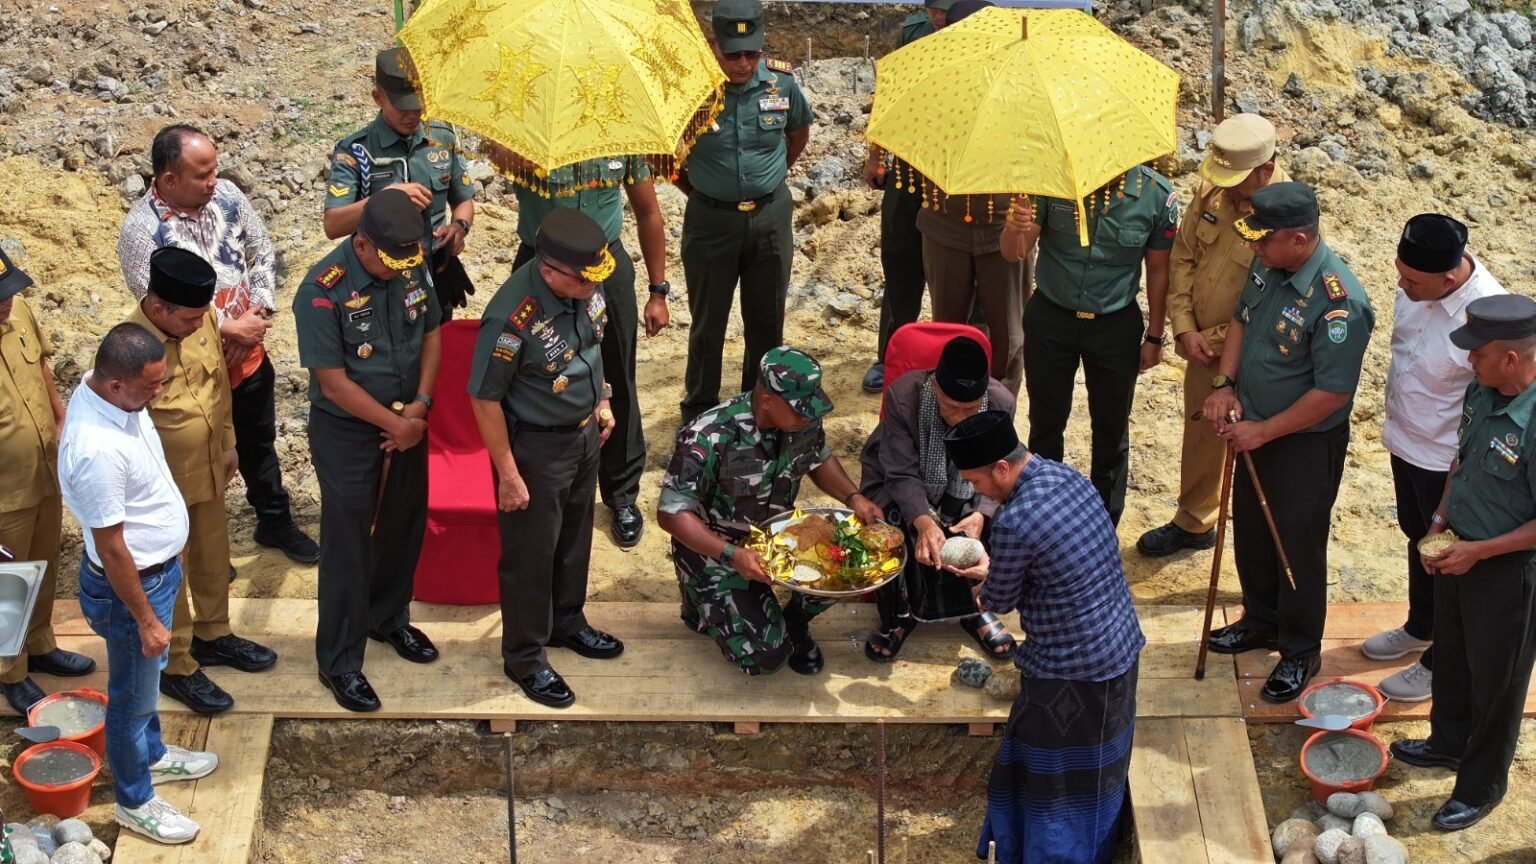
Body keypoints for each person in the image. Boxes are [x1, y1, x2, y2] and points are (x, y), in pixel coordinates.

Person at [943, 410, 1144, 864]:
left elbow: (998, 598)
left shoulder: (1015, 522)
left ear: (1001, 468)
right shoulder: (1067, 477)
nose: (977, 493)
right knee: (1101, 773)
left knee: (1054, 783)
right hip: (1120, 647)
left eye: (976, 482)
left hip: (1069, 671)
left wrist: (981, 578)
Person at [1202, 182, 1374, 704]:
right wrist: (1224, 384)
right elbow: (1241, 319)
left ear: (1299, 239)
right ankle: (1261, 619)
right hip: (1253, 426)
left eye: (1264, 239)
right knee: (1253, 529)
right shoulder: (1268, 265)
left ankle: (1300, 648)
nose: (1254, 247)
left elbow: (1333, 393)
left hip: (1303, 444)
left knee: (1295, 544)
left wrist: (1264, 430)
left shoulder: (1340, 302)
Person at [117, 124, 319, 565]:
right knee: (194, 454)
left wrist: (257, 316)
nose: (213, 181)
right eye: (202, 174)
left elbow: (261, 253)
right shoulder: (141, 232)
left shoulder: (228, 196)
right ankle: (199, 545)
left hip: (248, 355)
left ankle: (274, 520)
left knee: (258, 442)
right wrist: (227, 330)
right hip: (188, 368)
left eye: (214, 170)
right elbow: (156, 305)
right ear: (169, 179)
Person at [58, 323, 220, 845]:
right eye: (152, 386)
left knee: (143, 688)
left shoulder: (114, 396)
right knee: (131, 700)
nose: (160, 393)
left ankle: (152, 756)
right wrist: (147, 620)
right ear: (115, 384)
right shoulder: (96, 449)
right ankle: (135, 801)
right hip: (132, 592)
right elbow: (111, 549)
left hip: (154, 576)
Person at [1389, 294, 1536, 832]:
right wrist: (1439, 520)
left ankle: (1480, 788)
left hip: (1506, 569)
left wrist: (1479, 551)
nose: (1468, 359)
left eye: (1478, 352)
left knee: (1498, 683)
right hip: (1458, 550)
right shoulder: (1482, 389)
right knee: (1451, 657)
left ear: (1511, 359)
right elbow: (1462, 460)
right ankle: (1448, 743)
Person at [467, 209, 623, 710]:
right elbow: (484, 400)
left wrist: (601, 399)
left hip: (583, 434)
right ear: (550, 271)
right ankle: (525, 656)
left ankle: (566, 622)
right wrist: (508, 474)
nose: (593, 287)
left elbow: (591, 348)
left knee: (574, 539)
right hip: (535, 448)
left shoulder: (585, 282)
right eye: (584, 279)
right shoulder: (511, 319)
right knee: (531, 556)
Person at [294, 188, 442, 713]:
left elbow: (432, 332)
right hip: (349, 431)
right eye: (389, 261)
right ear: (361, 244)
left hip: (410, 419)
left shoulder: (408, 263)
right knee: (348, 543)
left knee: (404, 523)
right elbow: (333, 383)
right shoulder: (321, 291)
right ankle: (339, 660)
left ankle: (388, 617)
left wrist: (420, 405)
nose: (401, 270)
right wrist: (396, 425)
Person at [485, 144, 670, 549]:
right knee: (536, 379)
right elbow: (497, 154)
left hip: (606, 266)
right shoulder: (528, 135)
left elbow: (648, 211)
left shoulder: (621, 139)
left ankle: (622, 493)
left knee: (617, 377)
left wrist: (658, 289)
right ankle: (530, 483)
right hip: (545, 268)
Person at [658, 347, 884, 676]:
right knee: (765, 657)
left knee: (850, 564)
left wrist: (854, 497)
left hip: (777, 538)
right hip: (716, 549)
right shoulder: (709, 435)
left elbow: (818, 458)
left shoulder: (801, 422)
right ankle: (700, 601)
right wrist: (733, 555)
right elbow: (671, 514)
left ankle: (794, 621)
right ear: (767, 401)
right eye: (800, 411)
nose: (809, 418)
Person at [127, 248, 278, 716]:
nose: (201, 324)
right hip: (160, 483)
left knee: (212, 554)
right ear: (158, 309)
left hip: (210, 463)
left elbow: (217, 388)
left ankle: (213, 634)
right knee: (170, 570)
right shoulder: (130, 348)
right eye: (189, 318)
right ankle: (175, 663)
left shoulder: (203, 316)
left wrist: (228, 442)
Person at [1367, 215, 1507, 703]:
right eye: (1400, 274)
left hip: (1447, 458)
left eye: (1412, 281)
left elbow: (1499, 396)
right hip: (1405, 439)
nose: (1400, 286)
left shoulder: (1485, 313)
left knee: (1447, 558)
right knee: (1417, 537)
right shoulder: (1415, 284)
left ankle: (1440, 662)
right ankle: (1420, 627)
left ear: (1449, 281)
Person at [1139, 114, 1289, 556]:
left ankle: (1260, 541)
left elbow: (1274, 301)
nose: (1227, 187)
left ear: (1265, 169)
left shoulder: (1286, 215)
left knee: (1260, 450)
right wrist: (1185, 328)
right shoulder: (1213, 193)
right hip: (1202, 351)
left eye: (1236, 179)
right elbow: (1183, 256)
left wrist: (1216, 338)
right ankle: (1194, 521)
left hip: (1257, 356)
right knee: (1204, 437)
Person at [1000, 165, 1178, 525]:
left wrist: (1156, 336)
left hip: (1114, 325)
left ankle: (1104, 522)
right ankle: (1043, 515)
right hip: (1052, 318)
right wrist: (1014, 229)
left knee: (1111, 428)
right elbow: (1013, 253)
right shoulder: (1052, 182)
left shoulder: (1157, 196)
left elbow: (1160, 270)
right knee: (1046, 422)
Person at [676, 0, 813, 423]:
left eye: (751, 54)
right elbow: (667, 155)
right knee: (707, 323)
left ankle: (759, 409)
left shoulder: (782, 84)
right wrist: (702, 190)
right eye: (733, 54)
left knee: (767, 321)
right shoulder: (690, 89)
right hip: (710, 221)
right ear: (713, 45)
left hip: (770, 217)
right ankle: (699, 411)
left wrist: (768, 179)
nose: (743, 64)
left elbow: (798, 134)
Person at [858, 336, 1016, 661]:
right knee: (891, 523)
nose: (959, 417)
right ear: (934, 386)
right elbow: (900, 471)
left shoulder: (1001, 403)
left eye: (970, 409)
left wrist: (981, 513)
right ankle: (899, 614)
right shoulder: (904, 396)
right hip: (899, 477)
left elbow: (1000, 468)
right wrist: (924, 520)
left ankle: (976, 606)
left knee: (1000, 517)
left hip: (970, 483)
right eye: (950, 406)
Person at [0, 249, 94, 715]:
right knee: (8, 581)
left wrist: (60, 422)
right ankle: (10, 671)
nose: (7, 303)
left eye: (8, 293)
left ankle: (40, 643)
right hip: (4, 491)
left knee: (44, 562)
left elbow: (40, 368)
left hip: (44, 469)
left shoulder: (17, 310)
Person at [325, 48, 477, 316]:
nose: (413, 115)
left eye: (419, 105)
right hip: (383, 279)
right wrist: (385, 200)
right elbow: (333, 225)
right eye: (403, 107)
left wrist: (459, 227)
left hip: (436, 272)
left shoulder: (442, 138)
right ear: (378, 98)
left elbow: (463, 199)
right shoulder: (356, 151)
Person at [859, 0, 952, 394]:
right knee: (900, 260)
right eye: (933, 8)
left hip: (958, 172)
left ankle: (957, 357)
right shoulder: (913, 33)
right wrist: (876, 156)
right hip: (911, 164)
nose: (938, 17)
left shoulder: (988, 30)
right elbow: (890, 95)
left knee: (959, 274)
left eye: (945, 10)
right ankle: (891, 355)